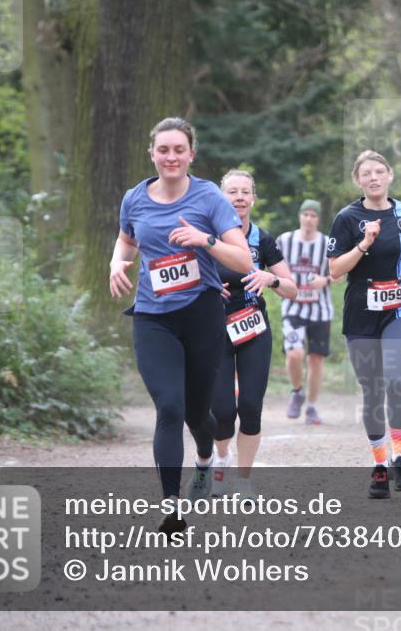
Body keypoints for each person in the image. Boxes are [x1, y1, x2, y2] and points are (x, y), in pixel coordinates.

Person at [108, 117, 252, 536]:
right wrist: (118, 261)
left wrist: (204, 240)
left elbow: (243, 261)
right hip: (153, 318)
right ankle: (172, 510)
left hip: (202, 313)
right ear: (152, 153)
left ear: (191, 154)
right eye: (163, 149)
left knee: (196, 410)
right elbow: (126, 239)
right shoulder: (135, 198)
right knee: (169, 407)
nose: (171, 157)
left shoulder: (209, 198)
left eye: (179, 150)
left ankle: (205, 456)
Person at [328, 150, 401, 499]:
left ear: (390, 175)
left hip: (400, 306)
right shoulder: (347, 218)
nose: (373, 177)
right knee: (372, 389)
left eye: (379, 171)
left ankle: (399, 457)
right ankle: (378, 465)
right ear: (358, 181)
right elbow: (335, 270)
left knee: (394, 374)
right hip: (360, 311)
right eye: (366, 173)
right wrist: (364, 244)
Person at [211, 170, 297, 499]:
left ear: (253, 199)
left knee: (250, 405)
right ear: (221, 198)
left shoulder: (262, 239)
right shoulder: (208, 237)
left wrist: (270, 279)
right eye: (232, 192)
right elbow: (186, 280)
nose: (239, 197)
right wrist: (205, 287)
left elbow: (292, 290)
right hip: (215, 330)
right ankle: (220, 462)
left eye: (245, 192)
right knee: (221, 411)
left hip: (253, 329)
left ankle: (244, 480)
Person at [276, 199, 334, 425]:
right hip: (293, 307)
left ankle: (311, 406)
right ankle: (297, 391)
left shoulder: (328, 244)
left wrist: (325, 279)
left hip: (321, 310)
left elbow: (341, 272)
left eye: (313, 215)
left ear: (318, 219)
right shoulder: (284, 241)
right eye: (305, 215)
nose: (309, 219)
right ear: (299, 216)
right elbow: (272, 265)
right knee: (294, 354)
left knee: (316, 360)